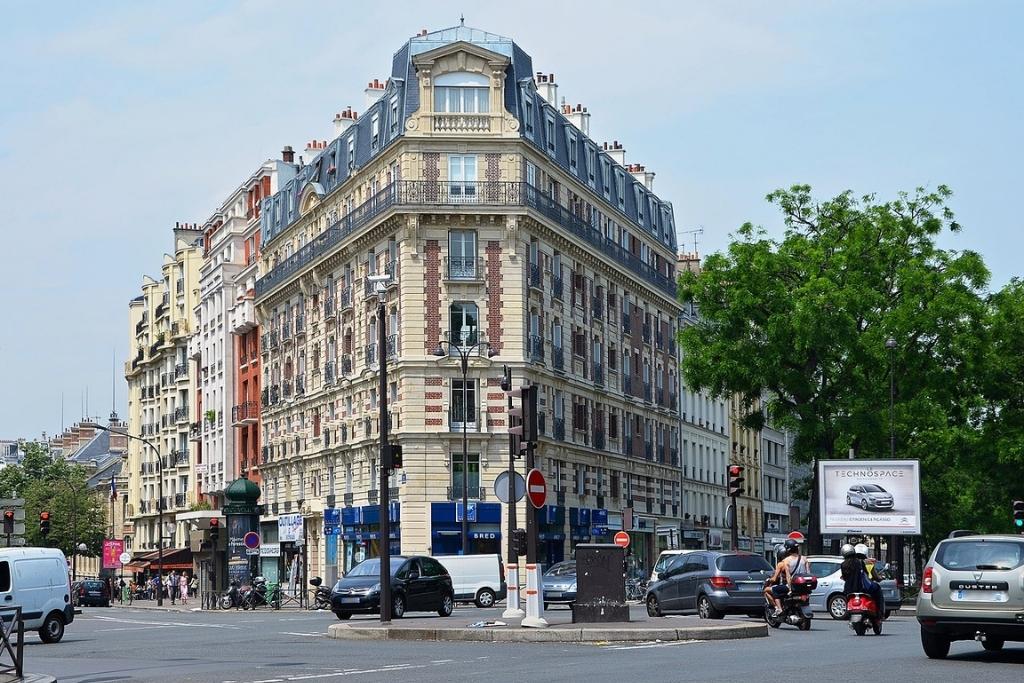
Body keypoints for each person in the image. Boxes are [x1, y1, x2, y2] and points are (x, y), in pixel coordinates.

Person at [764, 539, 804, 616]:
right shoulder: (799, 560)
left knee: (767, 590)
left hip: (788, 586)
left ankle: (778, 608)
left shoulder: (782, 564)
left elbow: (775, 578)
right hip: (799, 586)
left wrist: (769, 579)